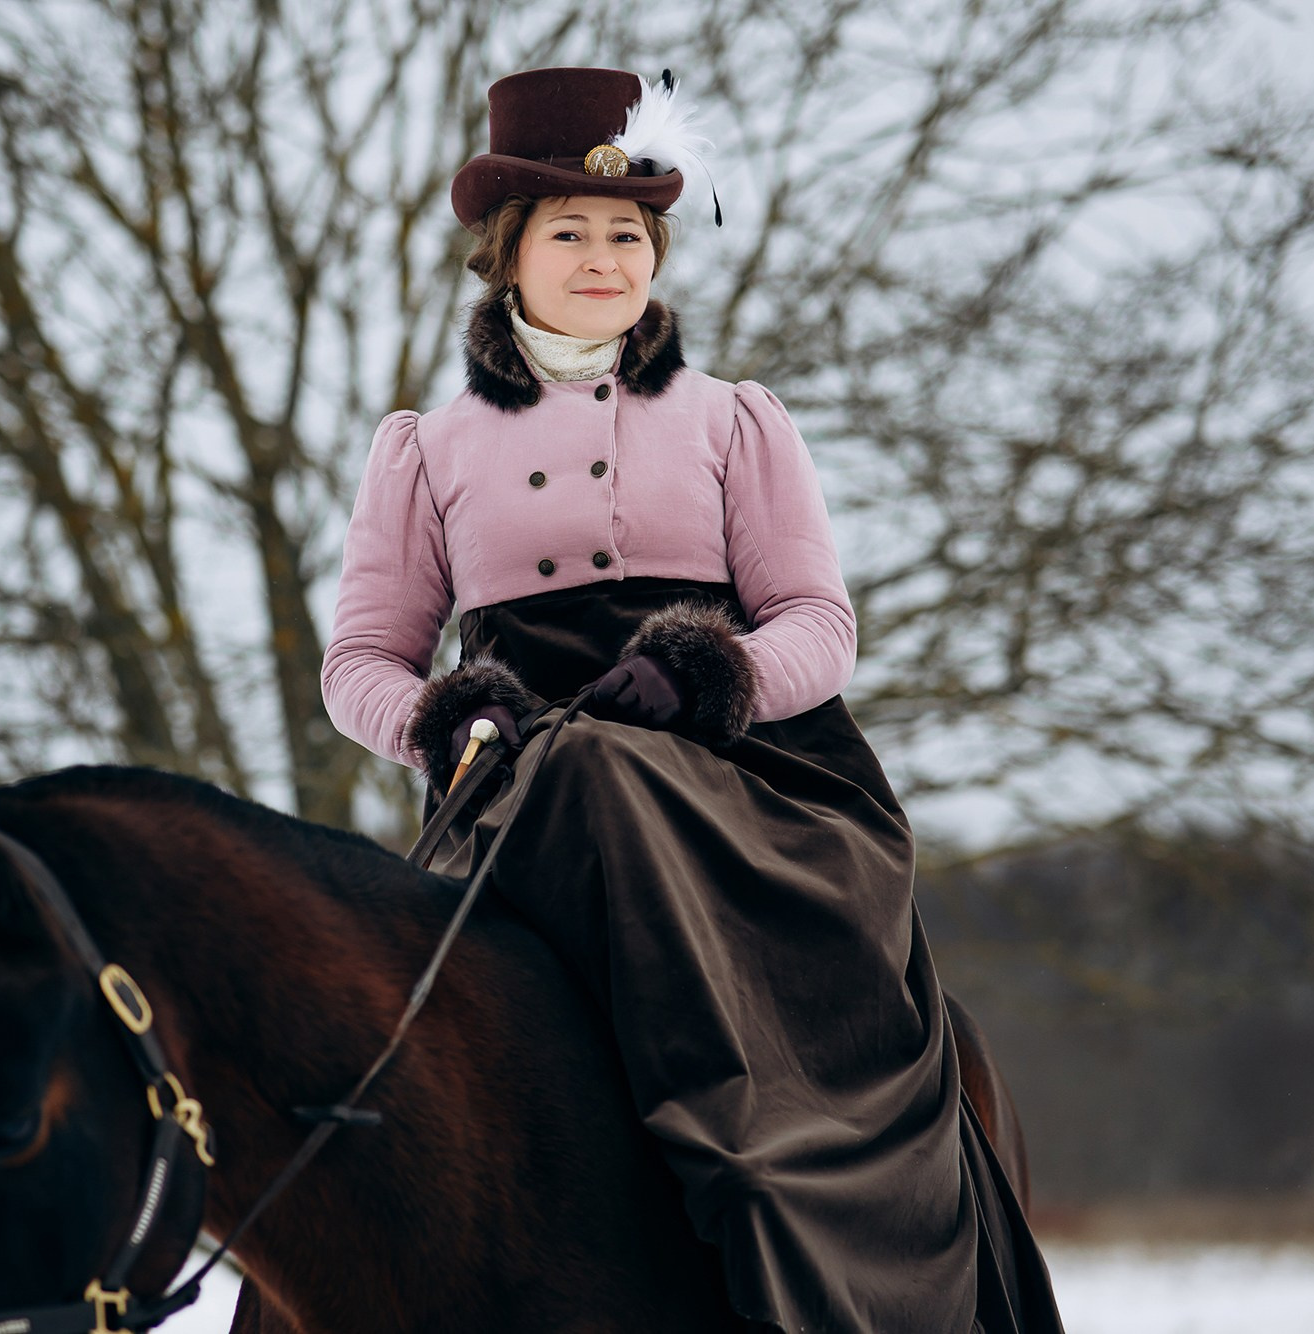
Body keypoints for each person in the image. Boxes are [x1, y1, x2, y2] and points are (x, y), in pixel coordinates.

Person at [320, 66, 1064, 1334]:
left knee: (608, 772)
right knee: (559, 803)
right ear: (507, 255)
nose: (604, 258)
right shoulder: (423, 449)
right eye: (570, 232)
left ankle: (767, 1169)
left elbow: (820, 630)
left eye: (627, 235)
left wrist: (706, 670)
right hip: (521, 785)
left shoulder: (737, 422)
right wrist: (445, 719)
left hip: (751, 777)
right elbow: (360, 667)